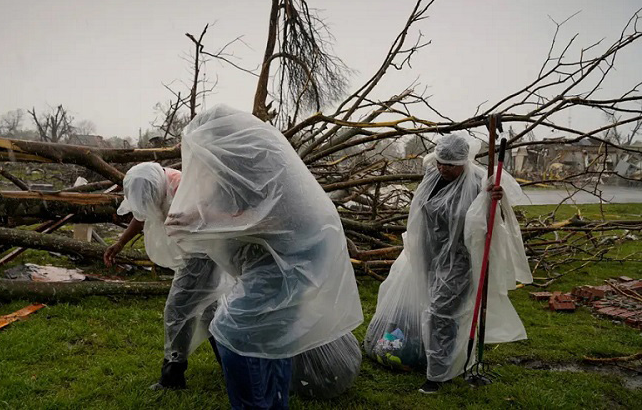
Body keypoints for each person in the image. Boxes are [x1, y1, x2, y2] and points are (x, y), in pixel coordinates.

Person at [165, 104, 363, 409]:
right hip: (280, 257)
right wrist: (197, 222)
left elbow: (277, 217)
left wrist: (203, 221)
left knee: (235, 332)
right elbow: (236, 215)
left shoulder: (258, 161)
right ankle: (274, 400)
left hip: (297, 258)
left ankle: (261, 404)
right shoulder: (232, 166)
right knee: (269, 337)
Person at [365, 133, 532, 394]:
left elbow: (492, 218)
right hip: (428, 253)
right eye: (440, 162)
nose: (443, 168)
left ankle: (437, 375)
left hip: (460, 259)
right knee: (431, 308)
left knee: (440, 312)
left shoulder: (478, 180)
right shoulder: (432, 176)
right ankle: (442, 358)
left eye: (449, 165)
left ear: (463, 162)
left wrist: (495, 197)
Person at [104, 162, 225, 390]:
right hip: (192, 252)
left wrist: (188, 220)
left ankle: (172, 376)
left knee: (178, 310)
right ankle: (230, 364)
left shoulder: (183, 187)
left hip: (202, 252)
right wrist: (119, 243)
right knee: (209, 308)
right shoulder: (152, 185)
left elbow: (210, 217)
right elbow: (142, 212)